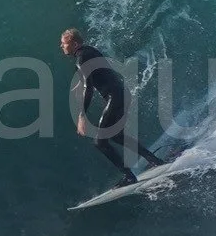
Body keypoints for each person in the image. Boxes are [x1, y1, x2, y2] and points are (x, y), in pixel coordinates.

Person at [62, 28, 167, 187]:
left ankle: (129, 177)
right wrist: (80, 83)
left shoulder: (81, 59)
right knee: (117, 135)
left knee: (100, 142)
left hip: (115, 97)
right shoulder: (90, 51)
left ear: (74, 44)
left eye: (64, 43)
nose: (61, 46)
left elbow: (88, 88)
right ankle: (155, 160)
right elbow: (97, 71)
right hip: (122, 94)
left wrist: (81, 116)